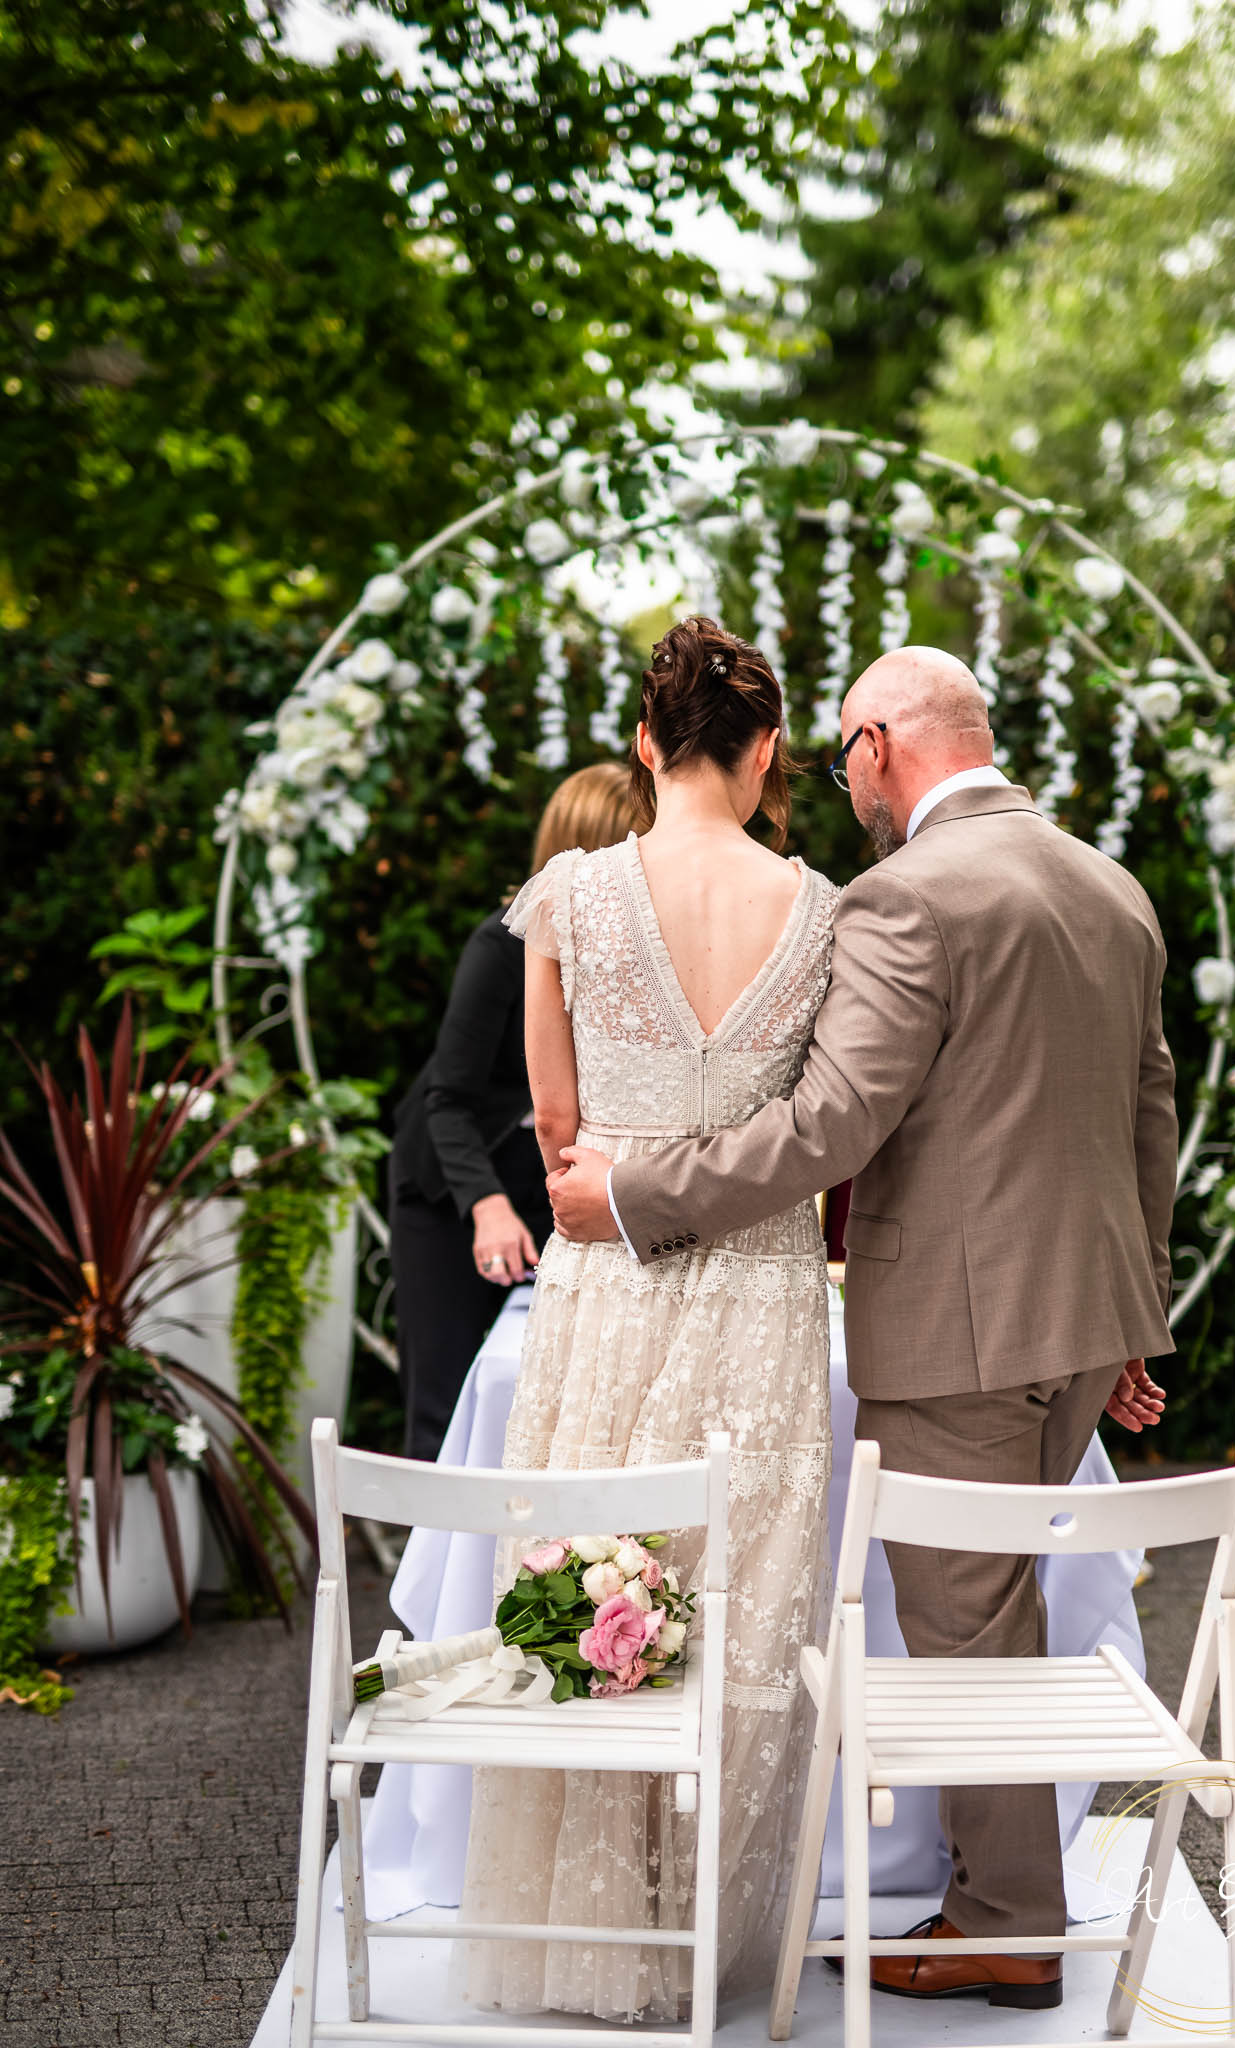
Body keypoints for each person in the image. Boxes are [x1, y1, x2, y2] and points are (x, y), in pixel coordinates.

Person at [550, 644, 1177, 2015]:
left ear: (879, 745)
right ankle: (995, 1900)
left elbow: (828, 1126)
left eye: (843, 762)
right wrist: (1137, 1311)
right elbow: (1146, 1111)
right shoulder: (1108, 885)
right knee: (995, 1614)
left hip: (960, 1334)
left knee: (964, 1632)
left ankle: (1008, 1926)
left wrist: (635, 1192)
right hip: (1080, 1327)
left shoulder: (907, 896)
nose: (844, 790)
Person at [458, 617, 840, 2022]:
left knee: (592, 1581)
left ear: (643, 739)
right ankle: (703, 1943)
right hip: (763, 1290)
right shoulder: (824, 908)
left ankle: (592, 1941)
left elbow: (554, 1122)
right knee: (738, 1611)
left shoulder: (567, 892)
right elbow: (822, 1130)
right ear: (767, 748)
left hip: (607, 1274)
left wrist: (613, 1169)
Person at [387, 762, 638, 1462]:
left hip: (542, 1184)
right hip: (450, 1189)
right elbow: (447, 1099)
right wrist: (486, 1206)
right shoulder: (501, 946)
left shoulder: (636, 956)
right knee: (443, 1401)